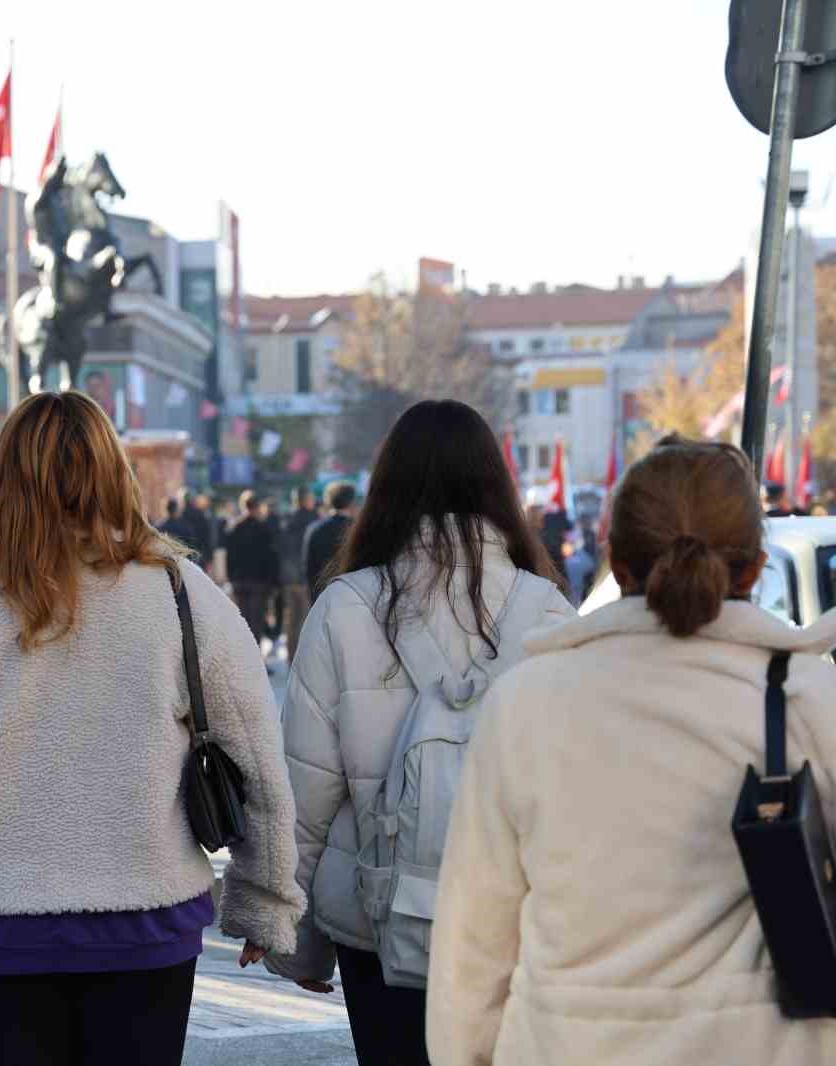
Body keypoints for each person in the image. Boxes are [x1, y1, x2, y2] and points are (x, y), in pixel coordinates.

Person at [0, 391, 303, 1066]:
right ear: (113, 472)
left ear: (2, 477)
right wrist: (264, 900)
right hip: (145, 913)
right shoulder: (180, 595)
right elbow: (258, 760)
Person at [427, 438, 836, 1066]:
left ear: (615, 561)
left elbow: (473, 946)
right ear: (754, 567)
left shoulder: (527, 703)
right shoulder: (810, 698)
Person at [274, 400, 572, 1066]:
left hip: (375, 920)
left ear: (386, 490)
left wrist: (296, 938)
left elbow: (307, 795)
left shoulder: (345, 608)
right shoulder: (547, 609)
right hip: (514, 919)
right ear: (499, 488)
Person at [224, 491, 280, 649]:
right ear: (257, 507)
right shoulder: (264, 528)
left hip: (240, 582)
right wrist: (274, 583)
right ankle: (256, 660)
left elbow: (230, 558)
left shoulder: (234, 528)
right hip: (260, 583)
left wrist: (231, 579)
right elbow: (271, 558)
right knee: (256, 622)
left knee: (242, 621)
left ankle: (243, 659)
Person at [276, 488, 316, 664]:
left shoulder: (285, 520)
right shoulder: (311, 520)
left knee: (292, 619)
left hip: (288, 577)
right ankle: (305, 659)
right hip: (305, 577)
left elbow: (280, 549)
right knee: (308, 619)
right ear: (305, 500)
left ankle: (291, 657)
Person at [303, 481, 358, 600]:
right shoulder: (359, 530)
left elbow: (309, 568)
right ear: (352, 502)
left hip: (323, 595)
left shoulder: (314, 529)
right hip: (354, 597)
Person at [176, 490, 215, 568]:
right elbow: (206, 536)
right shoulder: (200, 514)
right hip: (198, 554)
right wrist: (209, 555)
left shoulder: (178, 516)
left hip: (181, 556)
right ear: (192, 500)